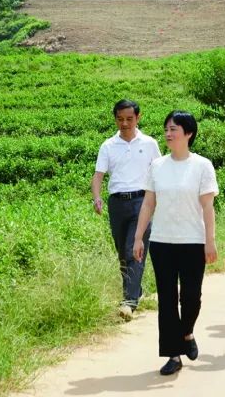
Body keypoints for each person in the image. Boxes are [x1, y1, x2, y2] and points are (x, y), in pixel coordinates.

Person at [133, 111, 218, 376]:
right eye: (166, 129)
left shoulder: (202, 165)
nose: (168, 134)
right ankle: (173, 354)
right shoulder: (157, 165)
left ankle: (187, 332)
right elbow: (148, 204)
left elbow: (208, 207)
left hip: (193, 241)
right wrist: (138, 237)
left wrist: (210, 241)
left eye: (174, 129)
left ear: (188, 133)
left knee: (191, 297)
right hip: (162, 241)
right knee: (167, 299)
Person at [91, 99, 160, 321]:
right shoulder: (108, 146)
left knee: (134, 249)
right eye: (120, 119)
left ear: (138, 118)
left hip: (142, 201)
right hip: (117, 203)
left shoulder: (149, 143)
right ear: (115, 119)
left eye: (129, 119)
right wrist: (97, 197)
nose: (125, 123)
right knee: (122, 252)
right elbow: (98, 176)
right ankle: (135, 291)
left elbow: (159, 172)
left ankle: (129, 302)